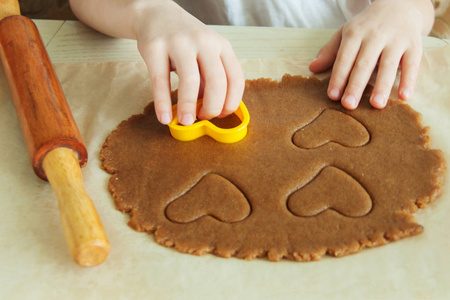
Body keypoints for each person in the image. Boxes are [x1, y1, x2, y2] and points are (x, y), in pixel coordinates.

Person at [69, 0, 435, 126]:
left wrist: (401, 10)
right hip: (192, 55)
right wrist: (147, 11)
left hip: (343, 63)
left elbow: (419, 5)